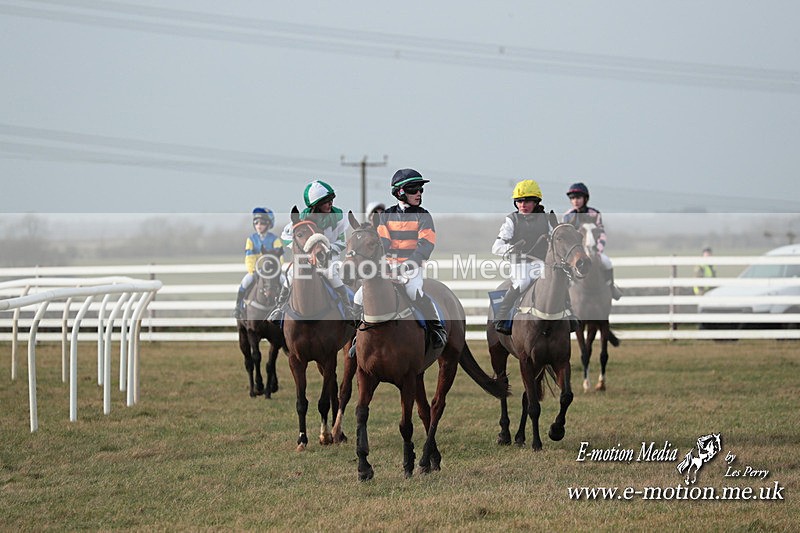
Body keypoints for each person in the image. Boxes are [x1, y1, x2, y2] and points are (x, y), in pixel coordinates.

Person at [354, 168, 446, 349]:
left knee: (414, 292)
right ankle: (357, 337)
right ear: (400, 192)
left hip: (412, 268)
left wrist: (406, 266)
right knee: (358, 297)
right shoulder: (386, 215)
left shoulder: (424, 216)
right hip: (388, 266)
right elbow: (384, 243)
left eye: (420, 189)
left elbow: (426, 245)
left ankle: (436, 330)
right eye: (414, 189)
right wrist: (384, 265)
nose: (419, 193)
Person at [268, 180, 354, 323]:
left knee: (332, 273)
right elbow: (287, 237)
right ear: (316, 205)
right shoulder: (302, 218)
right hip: (306, 259)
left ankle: (348, 308)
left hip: (328, 258)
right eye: (326, 202)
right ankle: (279, 308)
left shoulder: (338, 216)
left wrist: (326, 250)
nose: (330, 204)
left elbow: (341, 242)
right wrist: (303, 251)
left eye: (331, 200)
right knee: (290, 274)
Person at [491, 179, 551, 335]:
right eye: (519, 201)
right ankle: (501, 317)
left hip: (540, 263)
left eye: (527, 201)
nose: (523, 204)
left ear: (536, 202)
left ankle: (569, 314)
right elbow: (496, 247)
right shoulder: (512, 220)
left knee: (555, 281)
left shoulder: (546, 219)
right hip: (520, 264)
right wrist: (512, 249)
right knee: (523, 282)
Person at [563, 182, 623, 300]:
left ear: (585, 199)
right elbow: (566, 236)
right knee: (564, 268)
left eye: (578, 198)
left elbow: (601, 233)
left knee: (607, 262)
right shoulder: (567, 216)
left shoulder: (594, 214)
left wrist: (599, 251)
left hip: (593, 249)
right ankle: (563, 292)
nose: (575, 201)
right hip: (575, 252)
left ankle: (611, 287)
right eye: (573, 198)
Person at [234, 207, 283, 319]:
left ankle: (285, 307)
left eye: (262, 223)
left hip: (272, 272)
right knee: (245, 282)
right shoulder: (251, 239)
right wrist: (253, 270)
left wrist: (276, 270)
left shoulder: (275, 240)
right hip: (257, 270)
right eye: (256, 223)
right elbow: (249, 257)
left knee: (284, 282)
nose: (259, 226)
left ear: (268, 224)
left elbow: (279, 258)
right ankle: (239, 307)